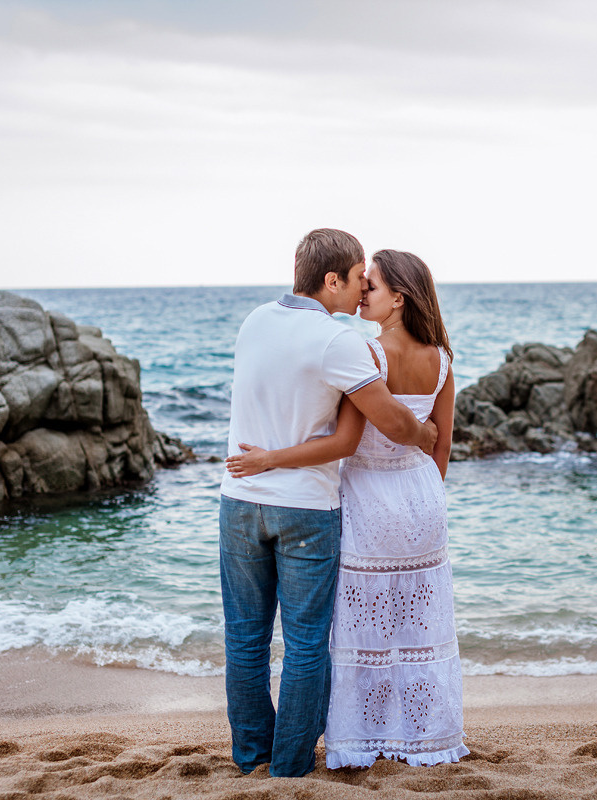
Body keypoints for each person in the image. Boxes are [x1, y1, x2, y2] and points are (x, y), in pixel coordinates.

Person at [226, 249, 467, 769]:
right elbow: (439, 446)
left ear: (398, 299)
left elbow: (347, 440)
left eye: (372, 286)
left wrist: (269, 459)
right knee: (419, 626)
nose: (363, 293)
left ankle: (359, 737)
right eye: (362, 281)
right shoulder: (443, 360)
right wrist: (422, 488)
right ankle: (422, 735)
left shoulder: (366, 353)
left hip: (363, 500)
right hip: (422, 500)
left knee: (360, 630)